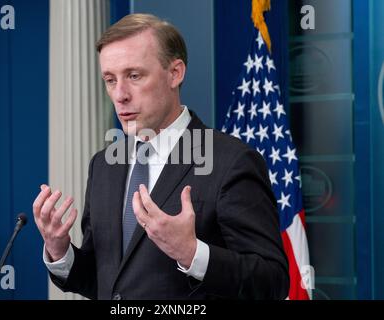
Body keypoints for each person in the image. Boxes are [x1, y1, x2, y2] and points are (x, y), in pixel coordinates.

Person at [32, 13, 289, 300]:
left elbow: (272, 282)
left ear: (175, 73)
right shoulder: (104, 165)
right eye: (110, 79)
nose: (120, 95)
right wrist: (59, 250)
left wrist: (192, 253)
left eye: (134, 75)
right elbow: (107, 282)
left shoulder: (231, 161)